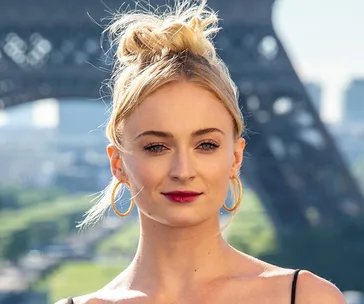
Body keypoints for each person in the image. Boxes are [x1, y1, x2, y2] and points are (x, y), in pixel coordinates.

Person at [56, 0, 346, 303]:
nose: (183, 170)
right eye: (156, 147)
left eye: (206, 145)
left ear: (235, 158)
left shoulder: (307, 297)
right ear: (118, 164)